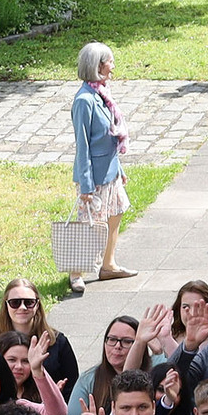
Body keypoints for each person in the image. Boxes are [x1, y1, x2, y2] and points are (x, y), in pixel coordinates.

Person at [70, 41, 138, 285]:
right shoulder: (84, 100)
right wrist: (86, 186)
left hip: (110, 172)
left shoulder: (101, 93)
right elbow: (83, 146)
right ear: (98, 66)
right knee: (89, 226)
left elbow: (109, 138)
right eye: (110, 61)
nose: (113, 66)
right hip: (95, 177)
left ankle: (108, 265)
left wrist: (119, 169)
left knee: (116, 212)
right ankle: (76, 273)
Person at [0, 278, 80, 398]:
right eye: (15, 302)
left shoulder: (56, 342)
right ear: (6, 305)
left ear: (37, 305)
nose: (22, 307)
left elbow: (72, 386)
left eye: (29, 302)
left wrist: (56, 401)